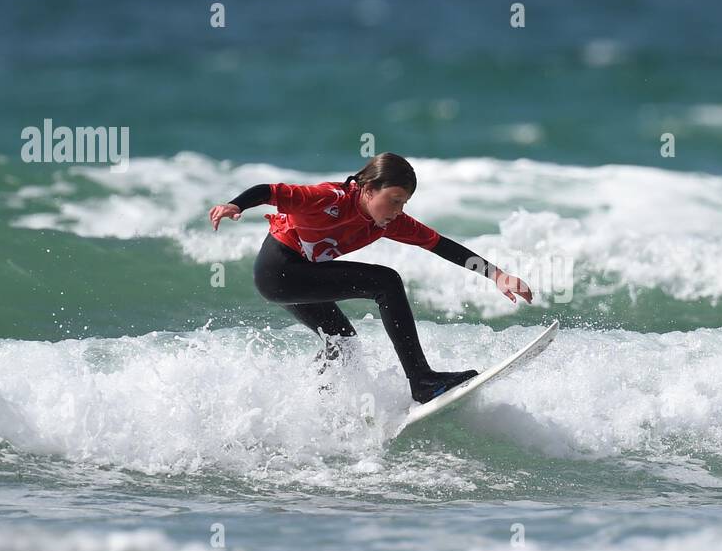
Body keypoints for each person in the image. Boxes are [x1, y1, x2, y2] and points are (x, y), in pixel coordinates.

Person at [208, 152, 534, 403]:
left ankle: (318, 403)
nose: (397, 209)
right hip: (279, 271)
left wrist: (497, 274)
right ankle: (421, 380)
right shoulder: (329, 198)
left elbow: (440, 245)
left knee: (342, 340)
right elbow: (271, 190)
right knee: (386, 282)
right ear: (367, 188)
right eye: (393, 200)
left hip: (300, 276)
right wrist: (235, 205)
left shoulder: (389, 222)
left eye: (404, 202)